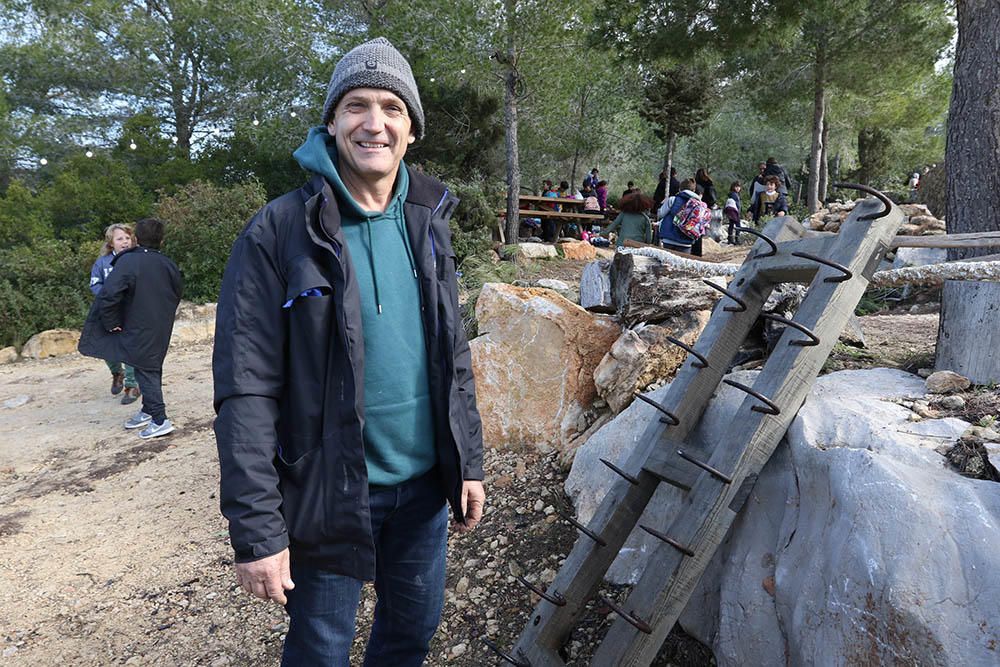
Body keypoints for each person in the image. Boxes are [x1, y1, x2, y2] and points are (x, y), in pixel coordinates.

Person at [212, 37, 485, 667]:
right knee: (321, 652)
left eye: (391, 107)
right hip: (326, 492)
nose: (374, 123)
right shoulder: (279, 230)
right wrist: (256, 529)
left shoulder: (429, 219)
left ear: (411, 129)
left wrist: (467, 458)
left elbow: (454, 354)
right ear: (332, 121)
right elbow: (245, 388)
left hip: (421, 493)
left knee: (408, 640)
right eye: (356, 105)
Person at [78, 218, 183, 439]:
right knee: (148, 364)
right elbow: (177, 292)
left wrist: (110, 322)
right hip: (160, 324)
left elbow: (109, 295)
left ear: (136, 238)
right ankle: (147, 410)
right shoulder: (168, 263)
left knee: (146, 369)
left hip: (136, 325)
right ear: (161, 240)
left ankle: (159, 420)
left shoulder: (128, 262)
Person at [89, 223, 141, 404]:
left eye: (128, 238)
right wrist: (109, 298)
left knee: (129, 347)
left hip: (131, 311)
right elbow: (95, 285)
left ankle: (132, 385)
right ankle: (116, 372)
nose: (125, 242)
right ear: (111, 243)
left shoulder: (137, 258)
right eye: (120, 239)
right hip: (108, 310)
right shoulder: (102, 263)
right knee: (106, 346)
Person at [657, 177, 702, 254]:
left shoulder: (672, 200)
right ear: (694, 190)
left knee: (667, 263)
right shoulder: (699, 205)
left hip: (669, 239)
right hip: (686, 241)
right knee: (681, 264)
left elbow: (660, 214)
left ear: (680, 189)